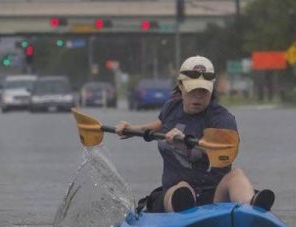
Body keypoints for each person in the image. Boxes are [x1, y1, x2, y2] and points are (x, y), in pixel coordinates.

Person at [115, 55, 274, 213]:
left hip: (215, 195)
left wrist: (184, 142)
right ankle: (183, 208)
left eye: (203, 91)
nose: (198, 97)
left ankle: (251, 205)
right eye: (193, 90)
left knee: (236, 176)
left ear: (211, 89)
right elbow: (155, 127)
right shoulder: (171, 108)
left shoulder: (221, 118)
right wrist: (130, 129)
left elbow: (224, 150)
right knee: (182, 187)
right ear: (181, 85)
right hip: (176, 193)